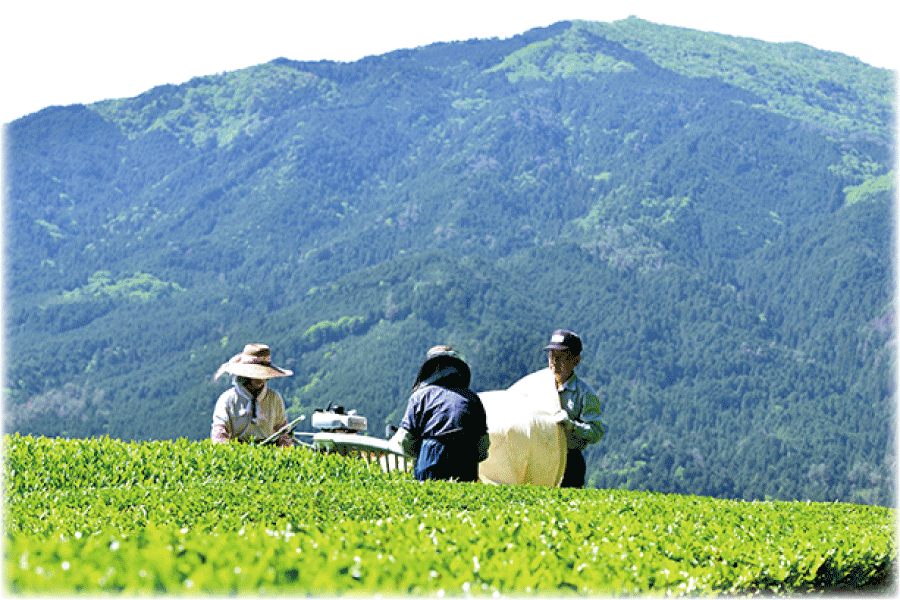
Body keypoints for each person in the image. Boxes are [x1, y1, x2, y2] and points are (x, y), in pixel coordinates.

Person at [390, 346, 490, 481]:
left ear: (428, 371)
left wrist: (422, 451)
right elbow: (483, 448)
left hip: (430, 463)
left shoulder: (420, 396)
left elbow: (405, 442)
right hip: (467, 467)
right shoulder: (472, 398)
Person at [542, 329, 604, 488]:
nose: (554, 361)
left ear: (576, 360)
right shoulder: (540, 386)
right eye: (551, 355)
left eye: (561, 356)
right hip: (541, 456)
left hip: (570, 462)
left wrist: (571, 426)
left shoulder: (584, 393)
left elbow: (596, 432)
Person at [210, 343, 295, 447]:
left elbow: (282, 431)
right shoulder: (228, 399)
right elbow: (219, 433)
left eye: (263, 374)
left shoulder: (274, 398)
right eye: (255, 374)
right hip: (237, 454)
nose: (259, 378)